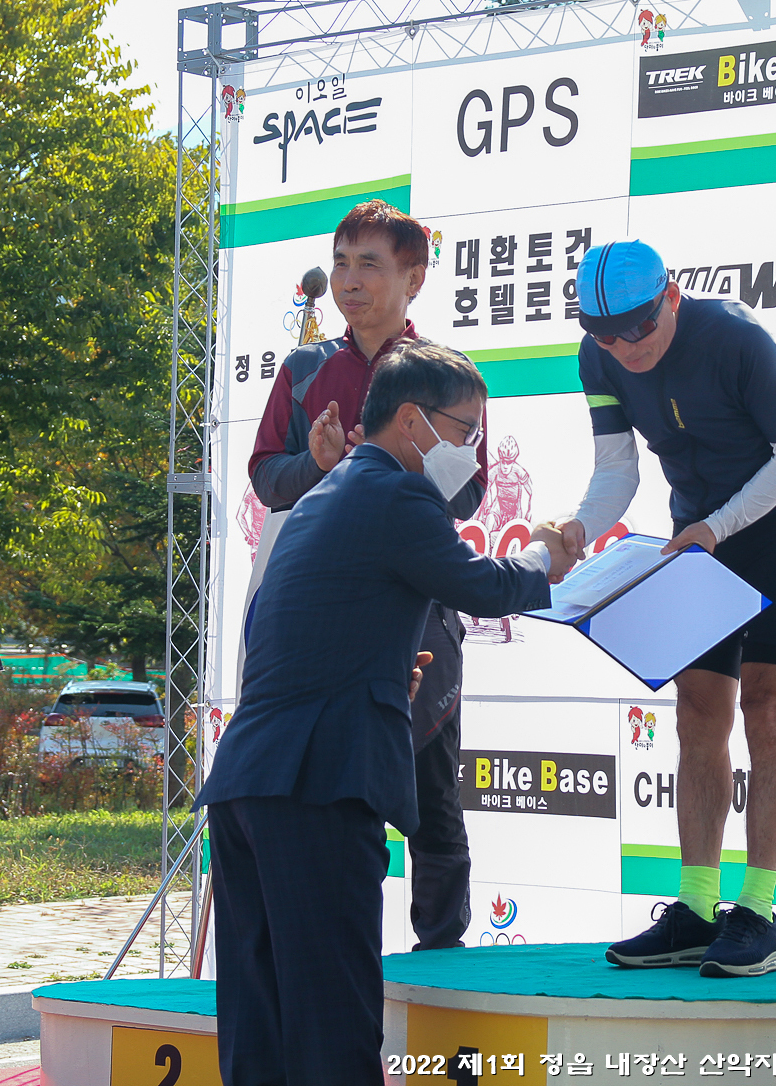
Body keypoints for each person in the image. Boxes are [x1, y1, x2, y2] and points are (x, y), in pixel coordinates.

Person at [201, 341, 563, 1086]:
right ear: (411, 421)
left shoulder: (320, 496)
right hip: (318, 784)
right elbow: (485, 586)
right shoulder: (399, 495)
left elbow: (294, 630)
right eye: (464, 430)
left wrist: (379, 674)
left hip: (248, 782)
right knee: (334, 1021)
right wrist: (546, 557)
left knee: (259, 1023)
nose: (472, 451)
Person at [541, 239, 776, 978]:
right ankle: (697, 910)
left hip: (775, 520)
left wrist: (719, 527)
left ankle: (757, 913)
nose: (626, 347)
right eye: (606, 333)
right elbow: (616, 469)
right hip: (696, 529)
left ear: (670, 297)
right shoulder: (599, 357)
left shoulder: (735, 338)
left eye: (639, 326)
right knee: (697, 711)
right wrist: (579, 528)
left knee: (766, 707)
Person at [247, 199, 488, 952]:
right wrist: (319, 465)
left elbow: (471, 492)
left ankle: (441, 961)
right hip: (319, 621)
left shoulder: (445, 375)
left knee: (431, 794)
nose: (350, 281)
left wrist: (390, 467)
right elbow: (265, 476)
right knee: (332, 799)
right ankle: (337, 957)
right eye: (342, 262)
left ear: (414, 278)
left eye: (370, 265)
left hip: (415, 611)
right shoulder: (304, 369)